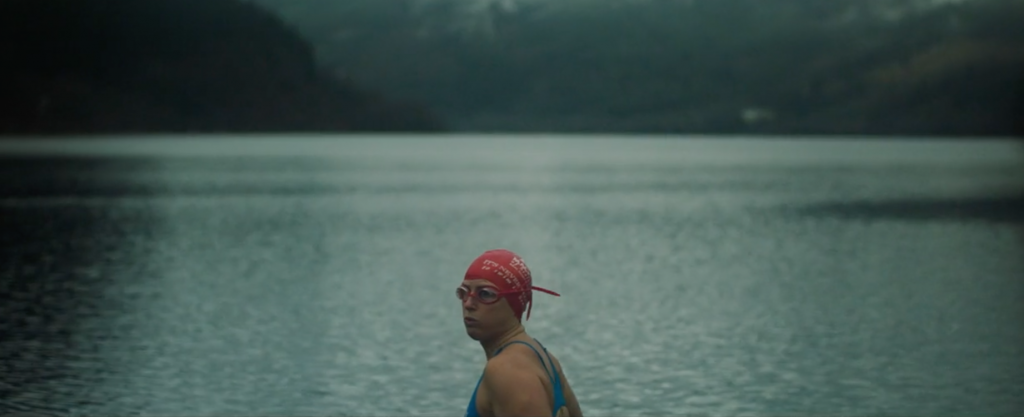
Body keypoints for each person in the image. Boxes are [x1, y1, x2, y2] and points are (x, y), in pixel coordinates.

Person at [457, 248, 584, 417]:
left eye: (485, 294)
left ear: (514, 303)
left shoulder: (506, 371)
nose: (468, 304)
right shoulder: (545, 359)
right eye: (463, 292)